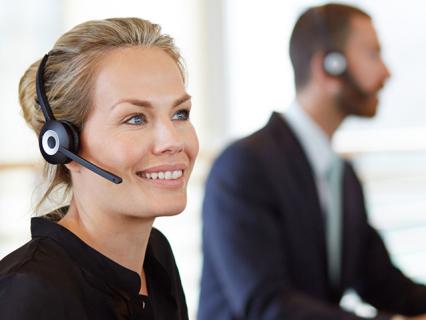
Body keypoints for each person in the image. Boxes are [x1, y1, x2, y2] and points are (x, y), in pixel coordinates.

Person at [198, 3, 426, 320]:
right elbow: (266, 305)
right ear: (328, 67)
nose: (386, 71)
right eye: (373, 54)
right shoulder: (244, 166)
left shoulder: (342, 176)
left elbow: (384, 284)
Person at [0, 17, 198, 319]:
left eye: (180, 113)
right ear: (63, 145)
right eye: (135, 118)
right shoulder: (29, 292)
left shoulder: (155, 255)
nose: (172, 141)